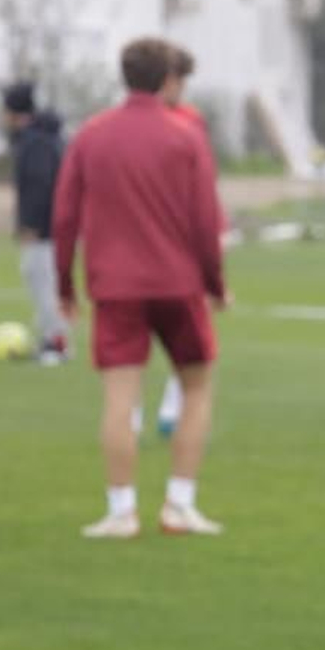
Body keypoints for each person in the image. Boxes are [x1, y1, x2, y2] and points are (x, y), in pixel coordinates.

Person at [53, 37, 229, 539]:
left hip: (115, 288)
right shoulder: (186, 135)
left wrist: (65, 284)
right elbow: (203, 222)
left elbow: (64, 219)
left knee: (120, 398)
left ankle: (121, 509)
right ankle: (179, 503)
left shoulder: (91, 135)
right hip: (178, 285)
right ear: (168, 77)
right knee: (195, 388)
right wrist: (215, 283)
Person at [140, 44, 212, 440]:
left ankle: (171, 408)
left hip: (175, 241)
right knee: (140, 334)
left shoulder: (190, 121)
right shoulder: (138, 123)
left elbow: (202, 182)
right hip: (156, 243)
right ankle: (133, 413)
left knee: (184, 334)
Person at [3, 81, 69, 365]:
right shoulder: (39, 136)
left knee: (43, 280)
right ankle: (50, 337)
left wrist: (31, 224)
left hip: (46, 227)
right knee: (38, 276)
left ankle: (55, 343)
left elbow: (41, 185)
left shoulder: (36, 140)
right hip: (51, 224)